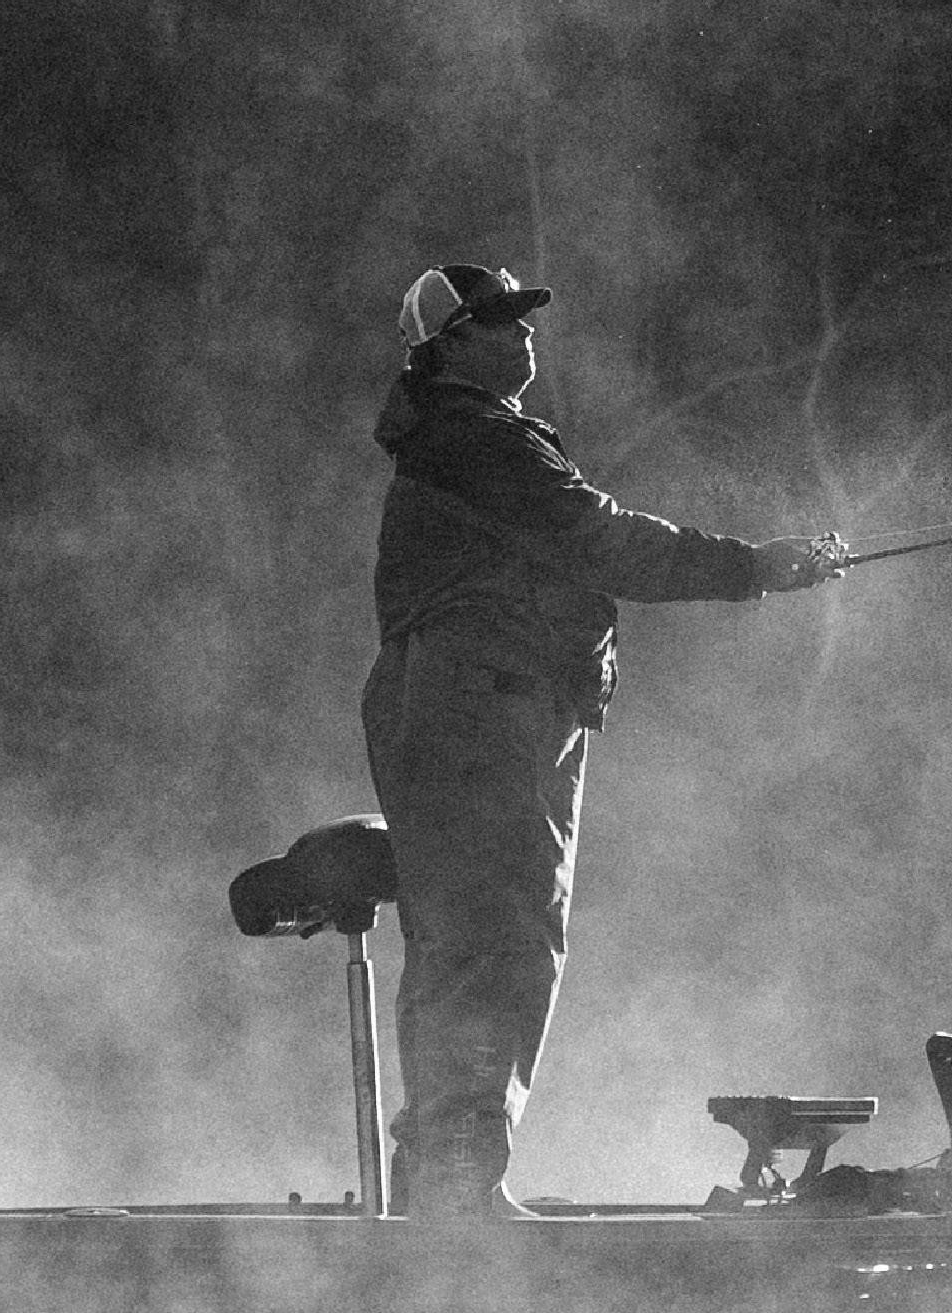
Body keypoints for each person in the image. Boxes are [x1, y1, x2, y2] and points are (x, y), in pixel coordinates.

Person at [362, 259, 846, 1215]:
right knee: (503, 935)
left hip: (445, 703)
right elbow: (601, 539)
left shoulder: (448, 438)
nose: (524, 331)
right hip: (490, 705)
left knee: (457, 937)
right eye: (501, 318)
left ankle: (440, 1180)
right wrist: (752, 568)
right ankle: (458, 1186)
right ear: (449, 345)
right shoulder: (478, 437)